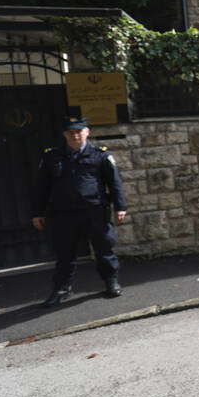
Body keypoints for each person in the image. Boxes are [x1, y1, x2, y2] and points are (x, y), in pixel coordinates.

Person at [33, 117, 128, 306]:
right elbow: (42, 187)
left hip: (94, 211)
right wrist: (37, 212)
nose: (75, 135)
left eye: (79, 131)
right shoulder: (52, 156)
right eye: (70, 132)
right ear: (64, 135)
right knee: (64, 253)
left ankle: (111, 282)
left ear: (87, 132)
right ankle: (62, 289)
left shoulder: (100, 155)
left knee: (104, 249)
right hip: (64, 214)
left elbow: (114, 183)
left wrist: (120, 207)